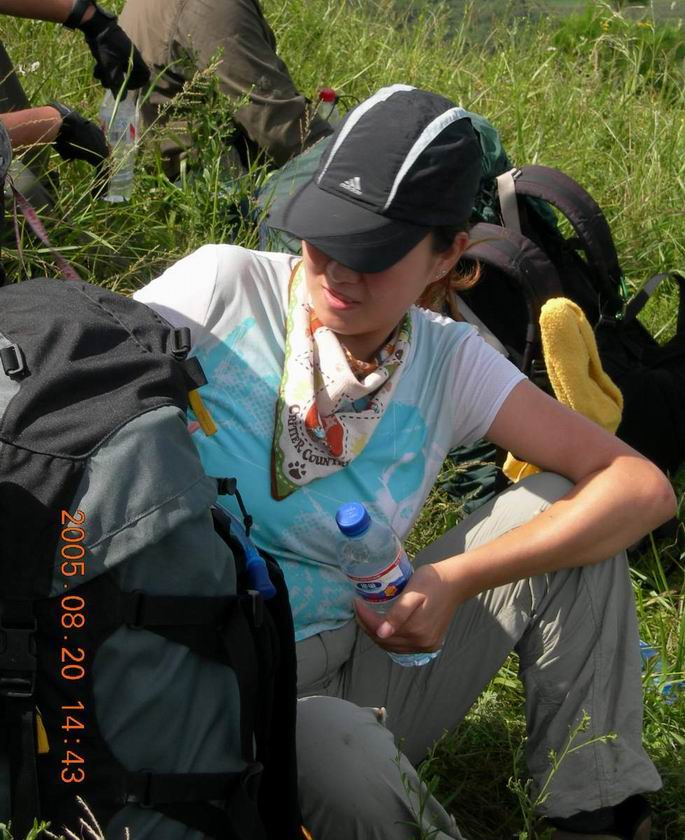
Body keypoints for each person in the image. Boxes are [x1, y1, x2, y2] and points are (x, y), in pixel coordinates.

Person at [133, 85, 676, 840]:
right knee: (332, 748)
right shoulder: (221, 290)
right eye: (325, 236)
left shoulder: (448, 361)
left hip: (355, 665)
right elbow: (74, 393)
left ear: (446, 255)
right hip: (199, 682)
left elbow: (640, 486)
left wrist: (453, 581)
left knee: (569, 509)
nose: (339, 272)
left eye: (376, 252)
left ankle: (597, 813)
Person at [118, 0, 333, 178]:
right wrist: (340, 162)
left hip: (159, 158)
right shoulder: (213, 8)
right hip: (200, 183)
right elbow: (279, 127)